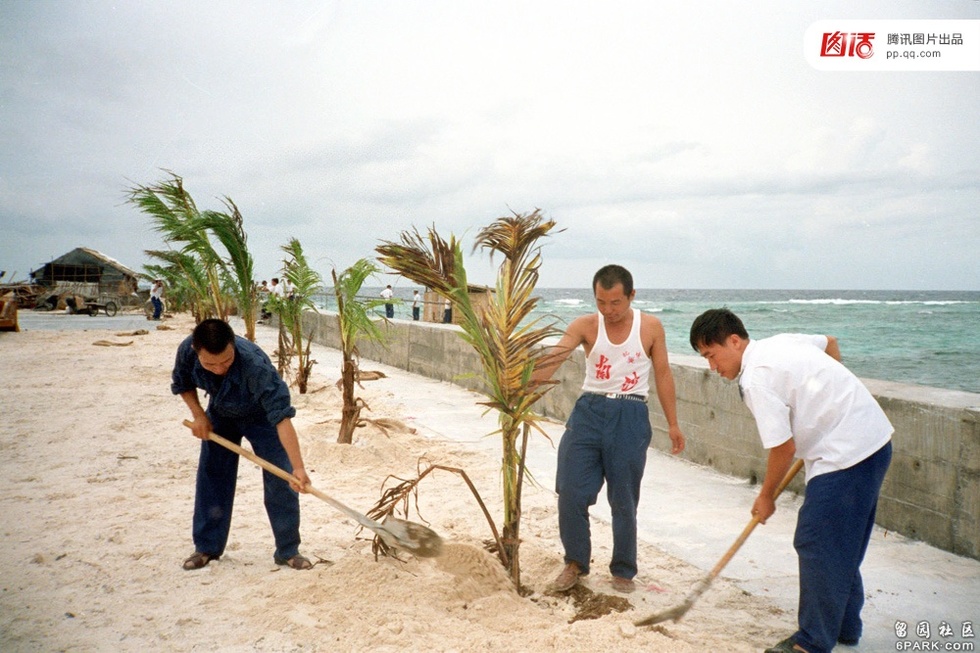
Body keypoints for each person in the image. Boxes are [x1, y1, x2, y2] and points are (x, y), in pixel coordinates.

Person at [689, 308, 892, 653]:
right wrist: (834, 395)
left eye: (712, 354)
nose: (712, 366)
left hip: (846, 453)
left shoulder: (756, 379)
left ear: (734, 341)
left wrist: (766, 496)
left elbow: (783, 447)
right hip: (874, 440)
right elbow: (830, 342)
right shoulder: (780, 342)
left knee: (816, 540)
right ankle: (845, 627)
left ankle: (812, 643)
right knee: (841, 541)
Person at [532, 264, 685, 594]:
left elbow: (663, 374)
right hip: (589, 411)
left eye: (616, 302)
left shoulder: (651, 327)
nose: (608, 310)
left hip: (630, 413)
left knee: (624, 498)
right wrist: (520, 387)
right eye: (601, 302)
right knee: (571, 489)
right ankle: (575, 563)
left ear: (631, 295)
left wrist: (673, 424)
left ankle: (624, 570)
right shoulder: (585, 325)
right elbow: (555, 356)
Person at [171, 319, 314, 571]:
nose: (218, 369)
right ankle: (207, 547)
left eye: (226, 361)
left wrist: (298, 467)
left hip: (261, 417)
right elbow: (183, 384)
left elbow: (282, 419)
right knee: (213, 476)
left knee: (281, 477)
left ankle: (288, 550)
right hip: (220, 412)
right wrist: (199, 416)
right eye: (210, 364)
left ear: (233, 345)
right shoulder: (186, 351)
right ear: (196, 350)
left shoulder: (255, 366)